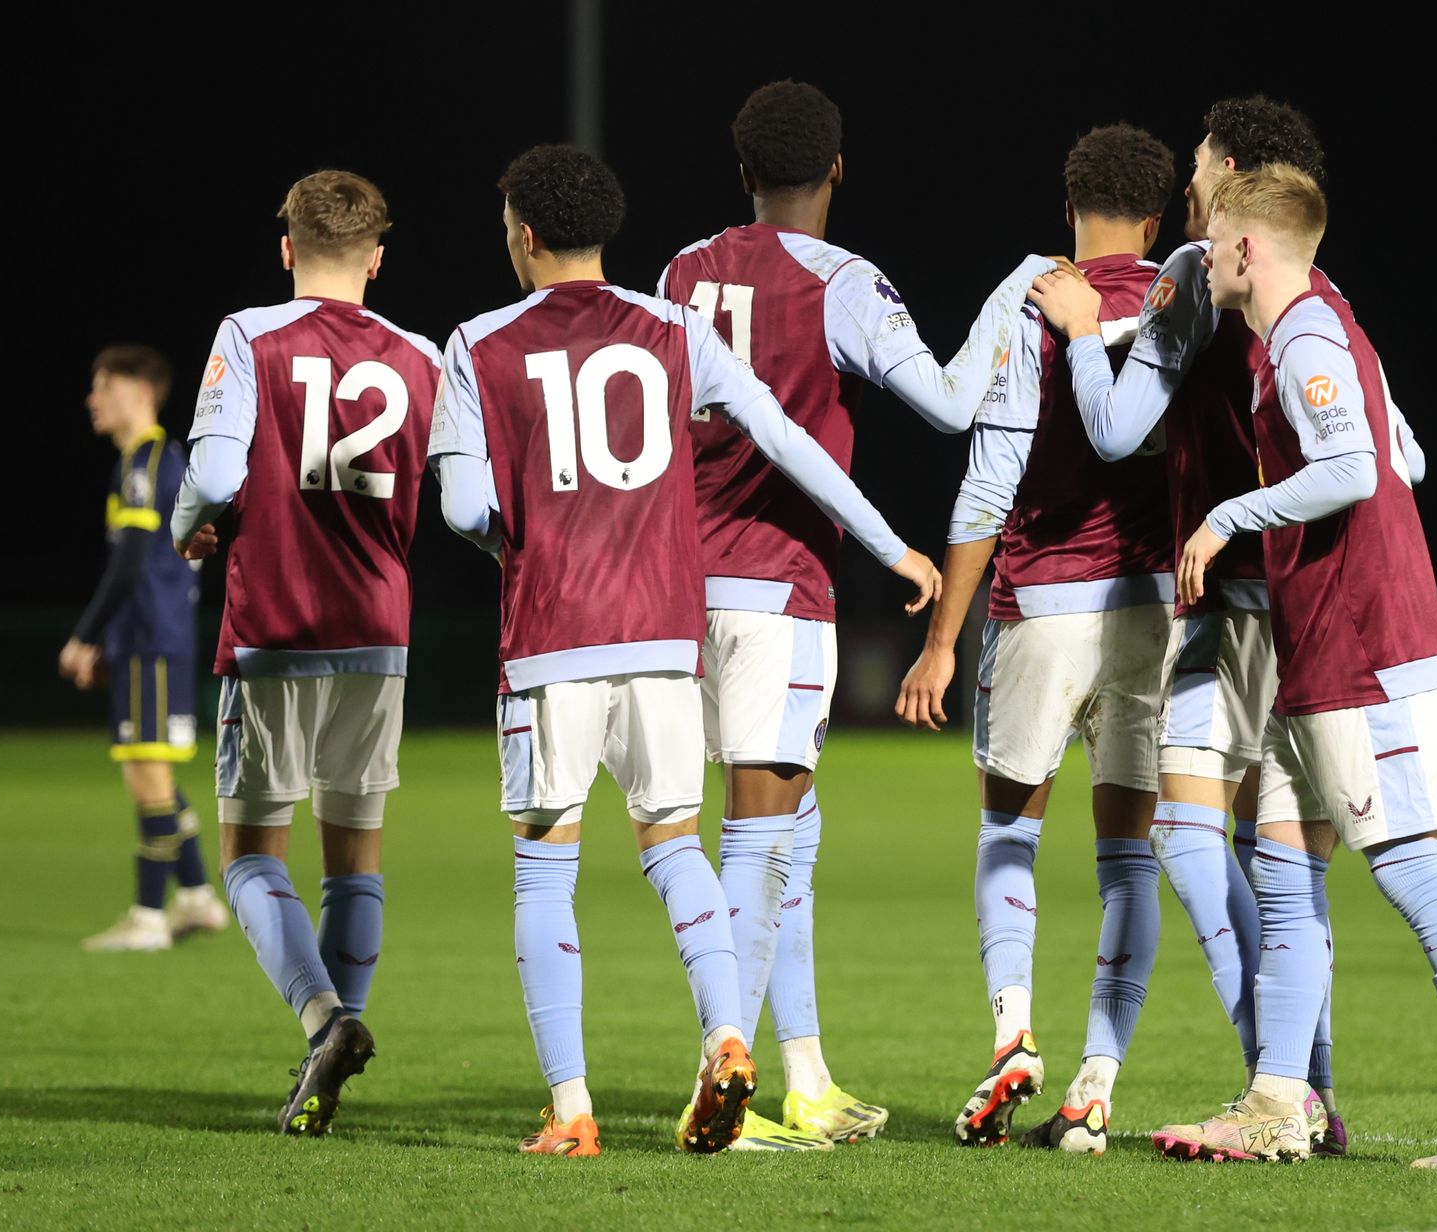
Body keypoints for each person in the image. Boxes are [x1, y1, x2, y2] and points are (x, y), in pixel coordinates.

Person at [430, 143, 941, 1157]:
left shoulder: (478, 343)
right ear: (603, 232)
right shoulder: (673, 328)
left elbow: (459, 503)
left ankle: (572, 1110)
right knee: (675, 847)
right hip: (665, 637)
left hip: (551, 639)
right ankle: (726, 1039)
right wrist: (891, 543)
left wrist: (516, 536)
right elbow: (786, 437)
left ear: (525, 236)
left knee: (544, 871)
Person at [1097, 164, 1437, 1167]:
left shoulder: (1302, 333)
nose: (1200, 253)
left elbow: (1354, 467)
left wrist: (1226, 515)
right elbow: (1404, 455)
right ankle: (1277, 1100)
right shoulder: (1305, 333)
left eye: (1213, 238)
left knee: (1411, 866)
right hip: (1319, 644)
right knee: (1286, 868)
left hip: (1362, 645)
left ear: (1248, 250)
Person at [655, 80, 1057, 1148]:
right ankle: (726, 1084)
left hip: (678, 587)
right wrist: (1020, 281)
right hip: (780, 587)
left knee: (793, 831)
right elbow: (952, 400)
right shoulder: (842, 282)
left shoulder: (681, 271)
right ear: (838, 170)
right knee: (759, 835)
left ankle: (807, 1074)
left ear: (743, 173)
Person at [895, 124, 1178, 1155]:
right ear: (1158, 218)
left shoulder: (1031, 295)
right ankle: (1097, 1084)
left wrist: (940, 640)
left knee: (1008, 831)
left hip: (1045, 603)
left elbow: (989, 474)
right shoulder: (1179, 295)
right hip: (1152, 609)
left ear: (1070, 206)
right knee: (1125, 856)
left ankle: (1015, 1030)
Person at [172, 170, 440, 1137]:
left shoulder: (248, 335)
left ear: (285, 248)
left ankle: (326, 1021)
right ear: (377, 256)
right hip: (380, 628)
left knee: (249, 854)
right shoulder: (419, 357)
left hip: (277, 626)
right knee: (354, 858)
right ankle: (331, 1043)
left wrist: (190, 526)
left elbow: (209, 472)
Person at [65, 345, 225, 952]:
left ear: (136, 391)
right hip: (153, 638)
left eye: (101, 386)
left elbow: (131, 565)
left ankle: (148, 916)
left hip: (150, 641)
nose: (93, 399)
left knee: (146, 778)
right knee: (155, 773)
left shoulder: (146, 459)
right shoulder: (156, 459)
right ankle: (195, 898)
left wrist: (84, 637)